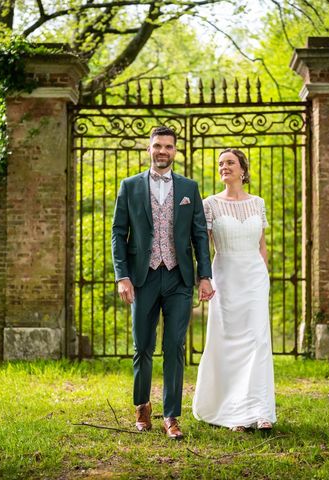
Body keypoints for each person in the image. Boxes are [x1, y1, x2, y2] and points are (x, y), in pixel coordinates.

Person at [111, 125, 214, 440]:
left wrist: (205, 275)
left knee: (175, 346)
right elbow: (118, 233)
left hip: (179, 276)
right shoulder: (130, 187)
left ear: (175, 151)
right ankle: (142, 406)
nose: (162, 151)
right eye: (157, 146)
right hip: (142, 278)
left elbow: (199, 234)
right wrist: (122, 276)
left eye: (168, 146)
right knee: (142, 346)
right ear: (149, 149)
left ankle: (171, 415)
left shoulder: (189, 188)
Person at [192, 148, 276, 432]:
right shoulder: (210, 204)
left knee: (258, 341)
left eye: (229, 162)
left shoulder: (258, 203)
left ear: (242, 169)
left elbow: (262, 245)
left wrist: (264, 276)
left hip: (254, 278)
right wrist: (204, 278)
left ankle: (261, 410)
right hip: (225, 278)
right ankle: (234, 412)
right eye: (220, 164)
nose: (224, 167)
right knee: (228, 343)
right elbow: (204, 246)